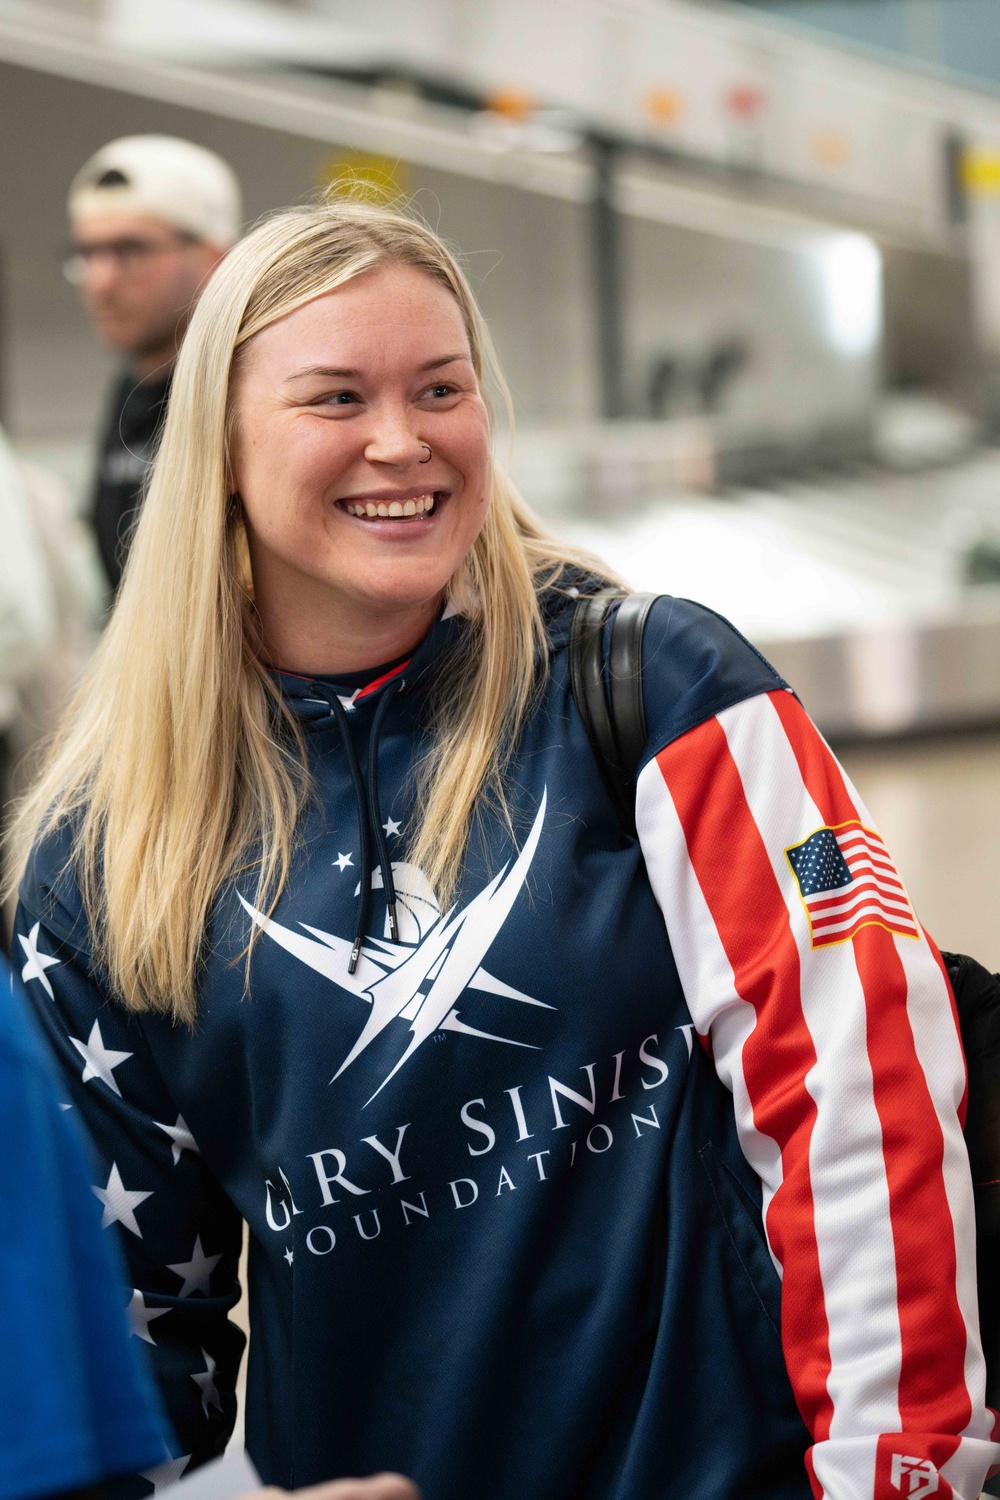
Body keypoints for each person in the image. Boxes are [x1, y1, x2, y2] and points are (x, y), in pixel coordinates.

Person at [7, 197, 997, 1500]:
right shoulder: (106, 854)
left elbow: (860, 1072)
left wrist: (899, 1469)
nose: (403, 442)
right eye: (335, 399)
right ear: (223, 454)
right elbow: (118, 1346)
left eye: (441, 388)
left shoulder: (656, 683)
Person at [66, 135, 242, 590]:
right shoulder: (130, 390)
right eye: (88, 254)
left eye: (129, 251)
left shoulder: (242, 399)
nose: (100, 281)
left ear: (214, 259)